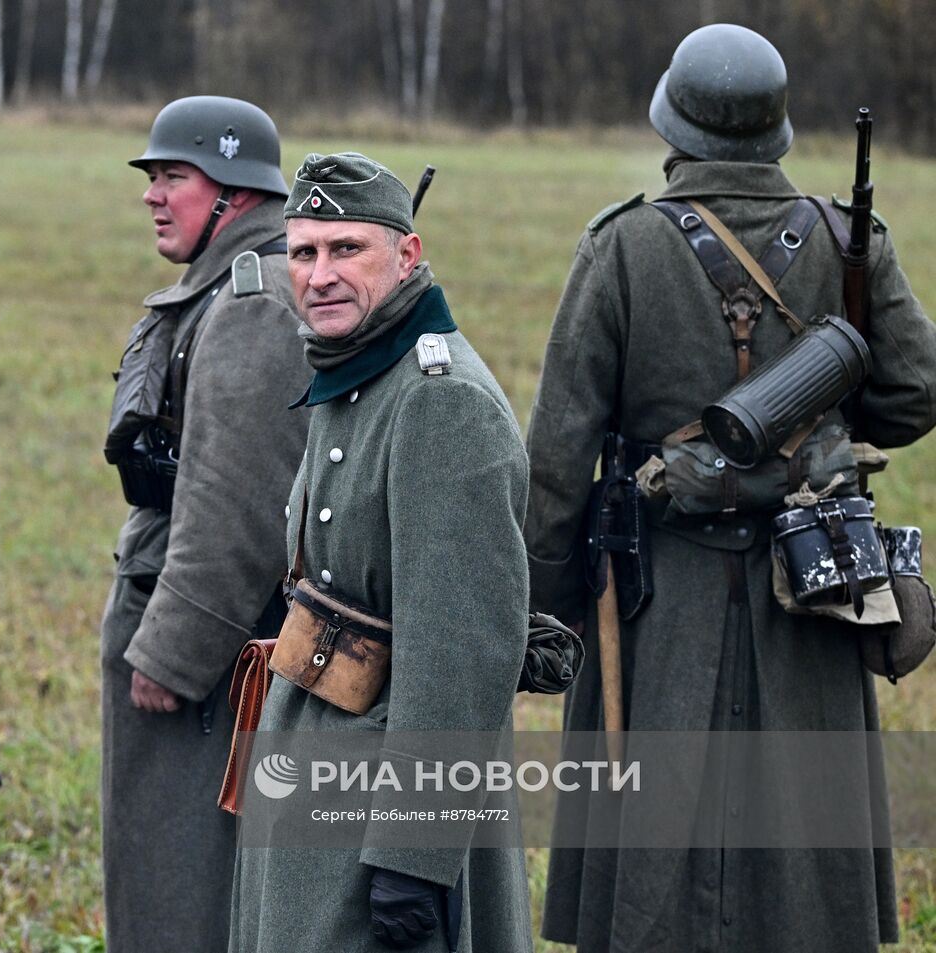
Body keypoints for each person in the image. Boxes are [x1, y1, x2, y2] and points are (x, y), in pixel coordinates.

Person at [526, 24, 936, 953]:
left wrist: (552, 610)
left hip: (650, 602)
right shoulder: (847, 238)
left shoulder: (621, 245)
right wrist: (820, 421)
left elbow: (557, 452)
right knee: (805, 875)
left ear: (675, 124)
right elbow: (913, 396)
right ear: (776, 128)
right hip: (814, 585)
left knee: (650, 869)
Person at [228, 152, 534, 952]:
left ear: (407, 255)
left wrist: (414, 857)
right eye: (303, 252)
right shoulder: (357, 367)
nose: (320, 275)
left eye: (346, 249)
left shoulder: (439, 403)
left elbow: (461, 655)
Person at [99, 95, 309, 952]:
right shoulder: (236, 280)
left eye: (173, 178)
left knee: (181, 879)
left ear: (234, 192)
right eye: (152, 177)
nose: (153, 194)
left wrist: (175, 650)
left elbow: (238, 502)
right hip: (214, 618)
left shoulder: (254, 299)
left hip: (215, 645)